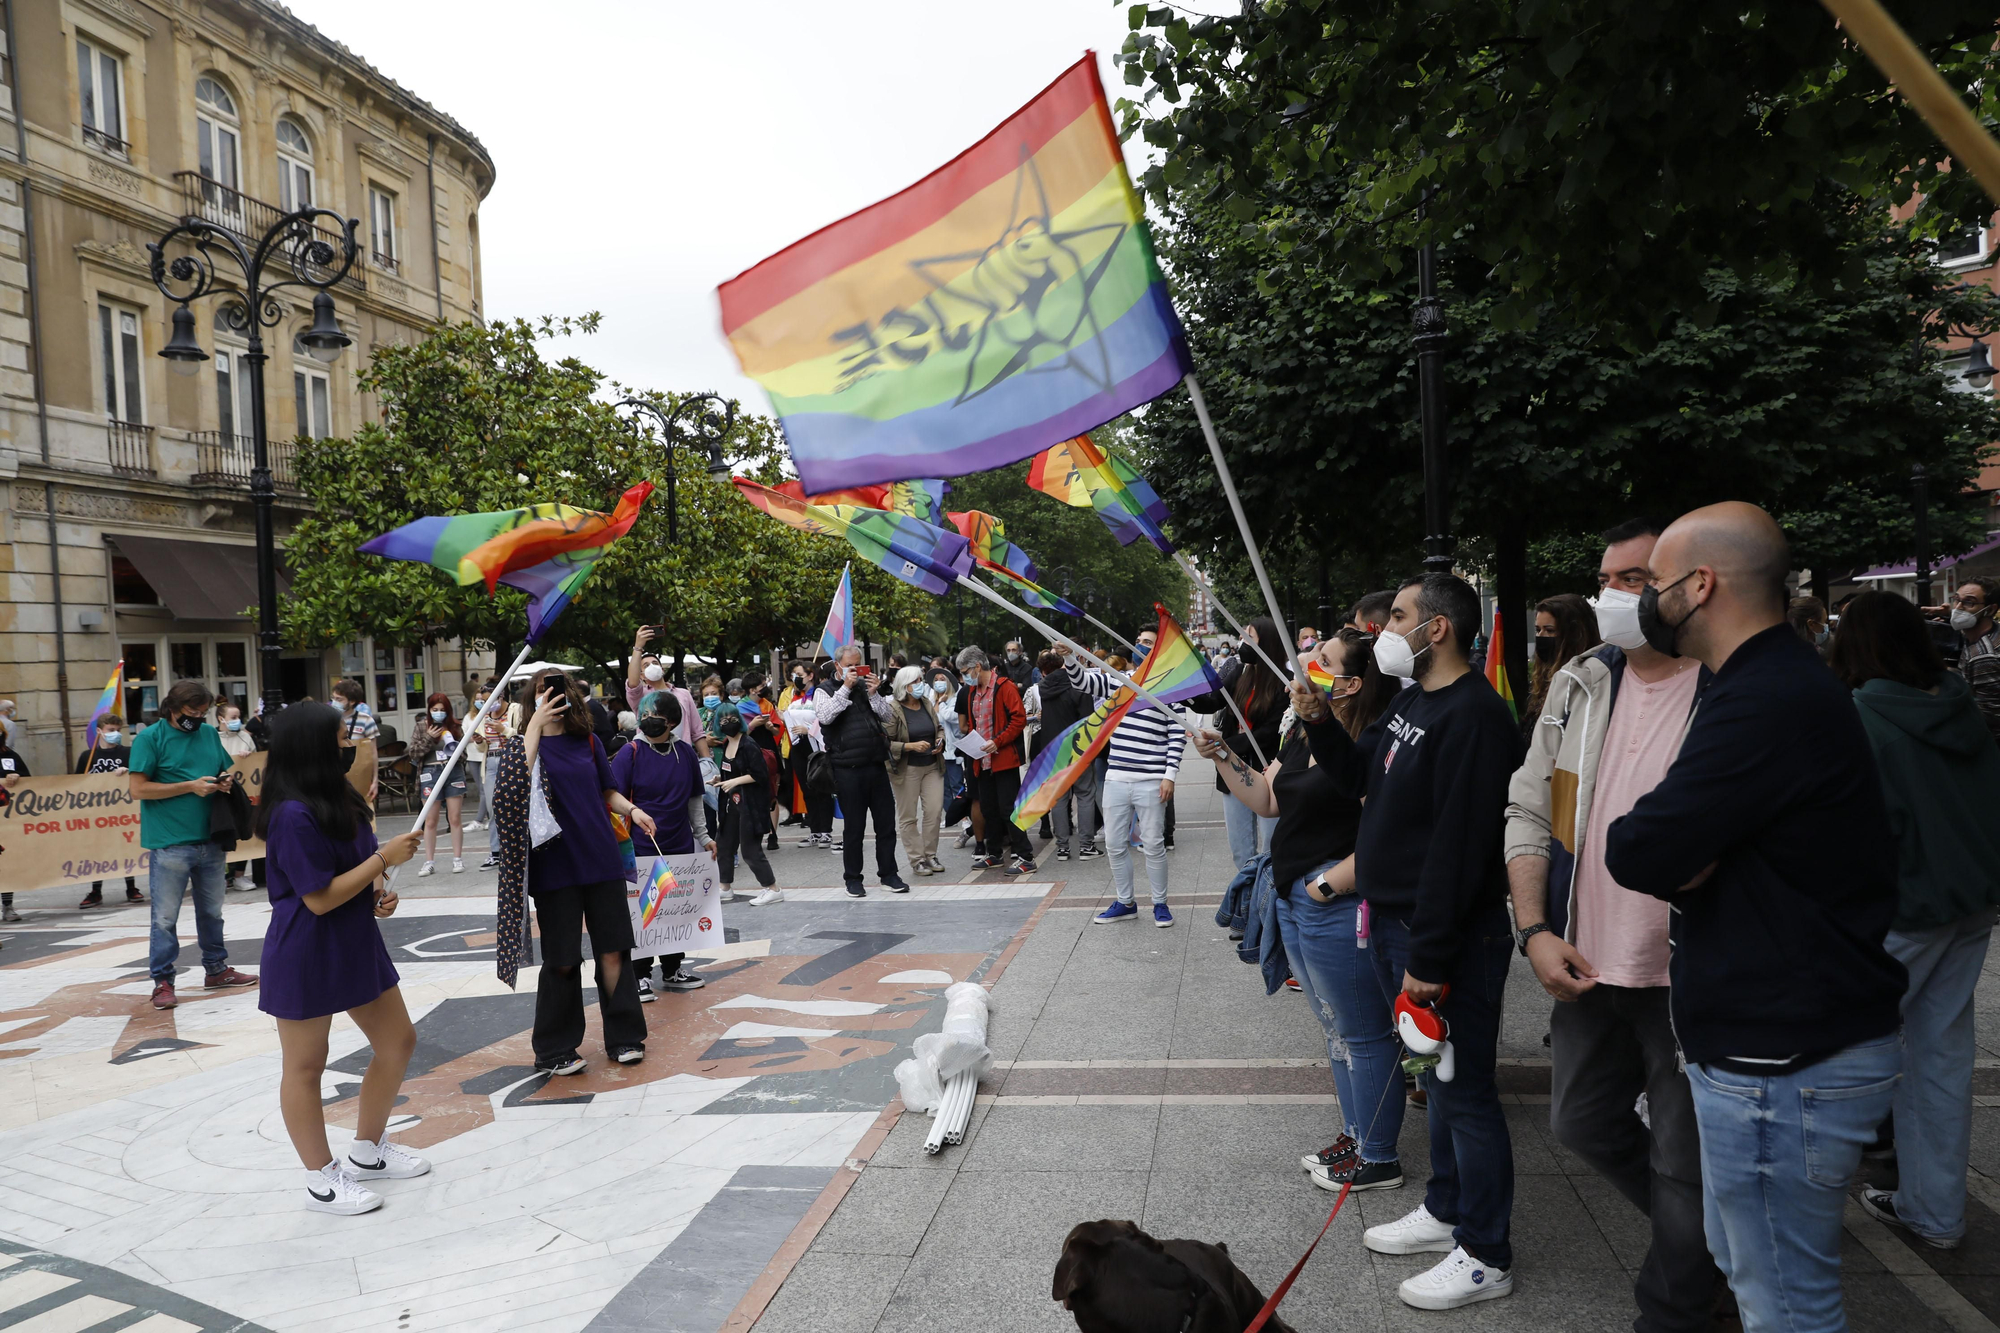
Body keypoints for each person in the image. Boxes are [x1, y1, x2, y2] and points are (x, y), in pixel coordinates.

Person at [1603, 503, 1906, 1333]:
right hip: (1781, 1039)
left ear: (1700, 586)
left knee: (1784, 1300)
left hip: (1785, 1057)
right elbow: (1675, 843)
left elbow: (1640, 846)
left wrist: (1686, 847)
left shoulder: (1766, 696)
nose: (1642, 604)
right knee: (1750, 1268)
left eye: (1652, 584)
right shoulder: (1758, 681)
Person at [1504, 518, 1722, 1332]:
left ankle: (1679, 1302)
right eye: (1607, 578)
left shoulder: (1727, 686)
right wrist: (1533, 927)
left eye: (1634, 578)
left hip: (1684, 971)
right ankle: (1704, 1250)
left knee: (1681, 1160)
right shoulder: (1585, 682)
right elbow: (1534, 804)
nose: (1613, 595)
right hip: (1586, 961)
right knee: (1583, 1121)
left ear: (1691, 584)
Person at [1289, 573, 1521, 1311]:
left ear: (1439, 628)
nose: (1386, 627)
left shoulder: (1475, 716)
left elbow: (1459, 843)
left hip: (1440, 936)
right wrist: (1322, 722)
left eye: (1398, 615)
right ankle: (1447, 1207)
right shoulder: (1415, 700)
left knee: (1466, 1090)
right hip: (1394, 924)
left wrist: (1430, 953)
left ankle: (1486, 1250)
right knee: (1439, 1083)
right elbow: (1366, 780)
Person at [1199, 627, 1405, 1191]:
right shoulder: (1304, 732)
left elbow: (1389, 831)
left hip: (1333, 905)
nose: (1309, 667)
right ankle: (1358, 1132)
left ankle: (1379, 1155)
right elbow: (1268, 797)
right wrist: (1222, 755)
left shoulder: (1373, 745)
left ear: (1352, 683)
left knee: (1363, 1031)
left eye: (1324, 662)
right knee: (1336, 1030)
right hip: (1295, 899)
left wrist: (1328, 886)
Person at [1828, 593, 2000, 1249]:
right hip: (1970, 903)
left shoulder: (1862, 718)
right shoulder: (1960, 705)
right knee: (1941, 1058)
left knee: (1829, 1053)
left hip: (1899, 910)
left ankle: (1802, 1197)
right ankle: (1936, 1211)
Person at [256, 702, 429, 1216]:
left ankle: (368, 1151)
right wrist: (383, 860)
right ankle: (321, 1178)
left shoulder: (342, 795)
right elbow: (318, 897)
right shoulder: (290, 814)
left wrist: (379, 888)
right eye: (339, 735)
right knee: (306, 1066)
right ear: (312, 745)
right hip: (306, 948)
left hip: (354, 940)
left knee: (398, 1041)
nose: (348, 742)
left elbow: (358, 863)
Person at [517, 669, 658, 1073]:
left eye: (557, 692)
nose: (552, 699)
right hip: (553, 864)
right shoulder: (522, 747)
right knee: (561, 958)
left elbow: (606, 790)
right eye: (543, 693)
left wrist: (633, 810)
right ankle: (554, 1047)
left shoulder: (590, 741)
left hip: (600, 856)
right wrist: (535, 728)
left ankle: (625, 1037)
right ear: (533, 700)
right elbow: (514, 788)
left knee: (614, 949)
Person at [132, 680, 259, 1011]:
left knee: (212, 912)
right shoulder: (150, 738)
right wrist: (189, 786)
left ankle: (216, 969)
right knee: (164, 917)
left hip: (211, 837)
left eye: (203, 713)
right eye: (192, 712)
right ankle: (162, 980)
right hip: (170, 841)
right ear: (172, 708)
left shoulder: (206, 734)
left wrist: (225, 781)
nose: (198, 718)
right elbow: (138, 789)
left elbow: (221, 769)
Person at [1058, 645, 1187, 924]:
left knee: (1153, 844)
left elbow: (1177, 733)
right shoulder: (1118, 680)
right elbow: (1082, 682)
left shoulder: (1168, 689)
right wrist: (1069, 656)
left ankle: (1160, 904)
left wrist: (1170, 775)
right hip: (1117, 776)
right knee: (1115, 844)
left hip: (1152, 780)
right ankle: (1125, 901)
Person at [614, 692, 723, 995]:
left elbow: (694, 800)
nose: (647, 718)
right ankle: (639, 974)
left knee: (675, 909)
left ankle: (673, 968)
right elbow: (613, 798)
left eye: (655, 714)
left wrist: (704, 836)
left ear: (673, 721)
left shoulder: (686, 753)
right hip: (642, 847)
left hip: (679, 844)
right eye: (644, 713)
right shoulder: (630, 753)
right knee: (645, 911)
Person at [1187, 618, 1285, 874]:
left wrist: (1225, 746)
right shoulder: (1239, 672)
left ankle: (1270, 898)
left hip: (1269, 772)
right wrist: (1185, 695)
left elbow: (1270, 732)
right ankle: (1247, 896)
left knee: (1271, 846)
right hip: (1234, 772)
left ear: (1268, 642)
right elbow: (1212, 701)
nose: (1243, 643)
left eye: (1250, 637)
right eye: (1243, 637)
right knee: (1240, 848)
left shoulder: (1284, 681)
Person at [815, 645, 910, 896]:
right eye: (850, 665)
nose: (855, 670)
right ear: (838, 666)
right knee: (854, 828)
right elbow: (825, 717)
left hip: (876, 765)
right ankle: (853, 879)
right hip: (847, 769)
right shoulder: (824, 691)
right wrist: (846, 687)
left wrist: (874, 694)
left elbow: (888, 717)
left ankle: (889, 875)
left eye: (859, 664)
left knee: (886, 825)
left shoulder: (864, 689)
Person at [953, 646, 1038, 877]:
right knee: (989, 807)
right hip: (982, 760)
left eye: (965, 671)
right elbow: (973, 724)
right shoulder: (972, 692)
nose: (964, 677)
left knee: (1009, 809)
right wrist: (972, 741)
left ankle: (1025, 856)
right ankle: (994, 852)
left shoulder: (1004, 687)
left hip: (1003, 759)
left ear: (977, 667)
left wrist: (997, 742)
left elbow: (1018, 719)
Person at [1033, 650, 1098, 861]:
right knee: (1085, 795)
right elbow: (1089, 719)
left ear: (1043, 672)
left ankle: (1062, 847)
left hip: (1053, 749)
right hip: (1078, 747)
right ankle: (1086, 846)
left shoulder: (1043, 688)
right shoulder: (1079, 684)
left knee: (1059, 798)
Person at [712, 703, 780, 904]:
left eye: (732, 718)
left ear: (739, 720)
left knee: (750, 849)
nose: (727, 723)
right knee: (724, 844)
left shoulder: (748, 744)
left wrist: (735, 781)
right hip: (731, 803)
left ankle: (772, 888)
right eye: (723, 720)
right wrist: (719, 779)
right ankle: (725, 886)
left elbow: (759, 775)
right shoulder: (726, 743)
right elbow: (728, 771)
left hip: (750, 803)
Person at [76, 715, 145, 909]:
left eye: (117, 730)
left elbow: (141, 773)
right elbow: (76, 784)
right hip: (97, 813)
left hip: (123, 812)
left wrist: (128, 771)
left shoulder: (128, 753)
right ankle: (96, 890)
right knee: (98, 850)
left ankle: (131, 886)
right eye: (110, 730)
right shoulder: (87, 756)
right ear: (99, 731)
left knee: (125, 847)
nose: (114, 734)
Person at [886, 666, 947, 876]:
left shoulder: (926, 703)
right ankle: (917, 859)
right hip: (907, 768)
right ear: (905, 685)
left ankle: (930, 855)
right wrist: (909, 746)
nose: (921, 684)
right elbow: (885, 742)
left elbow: (938, 727)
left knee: (934, 811)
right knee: (908, 816)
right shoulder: (893, 708)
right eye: (916, 681)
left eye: (921, 680)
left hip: (932, 765)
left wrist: (941, 740)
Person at [1524, 594, 1600, 737]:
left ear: (1574, 635)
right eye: (1538, 629)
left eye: (1550, 630)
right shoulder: (1543, 678)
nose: (1541, 635)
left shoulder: (1588, 680)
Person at [408, 692, 467, 877]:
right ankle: (429, 861)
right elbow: (413, 753)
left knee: (455, 818)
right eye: (434, 710)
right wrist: (428, 737)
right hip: (430, 773)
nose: (438, 713)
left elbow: (464, 756)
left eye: (442, 710)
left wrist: (453, 747)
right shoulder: (420, 727)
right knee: (431, 820)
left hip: (453, 772)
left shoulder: (455, 726)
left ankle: (457, 858)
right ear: (429, 710)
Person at [1936, 579, 2000, 742]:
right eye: (1956, 599)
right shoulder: (1982, 632)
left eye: (1968, 603)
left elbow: (1990, 717)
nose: (1957, 608)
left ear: (1990, 610)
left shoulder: (1983, 657)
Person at [787, 665, 835, 850]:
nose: (796, 678)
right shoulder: (795, 697)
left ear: (810, 676)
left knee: (821, 786)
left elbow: (826, 720)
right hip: (798, 747)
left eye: (799, 674)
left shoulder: (820, 695)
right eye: (794, 675)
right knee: (807, 790)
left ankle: (826, 831)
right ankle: (814, 830)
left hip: (816, 746)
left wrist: (810, 730)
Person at [215, 701, 259, 891]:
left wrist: (249, 754)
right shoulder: (213, 738)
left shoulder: (244, 737)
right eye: (233, 717)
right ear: (221, 719)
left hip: (244, 791)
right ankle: (224, 876)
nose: (237, 721)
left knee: (244, 827)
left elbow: (256, 762)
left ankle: (240, 875)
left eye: (238, 717)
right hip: (222, 792)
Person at [472, 680, 508, 869]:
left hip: (510, 760)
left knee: (512, 805)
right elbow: (482, 748)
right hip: (491, 761)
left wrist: (504, 730)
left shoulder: (514, 710)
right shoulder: (484, 714)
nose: (486, 704)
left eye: (489, 699)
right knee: (493, 807)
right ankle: (495, 852)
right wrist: (479, 741)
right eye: (484, 701)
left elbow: (523, 735)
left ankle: (516, 848)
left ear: (501, 696)